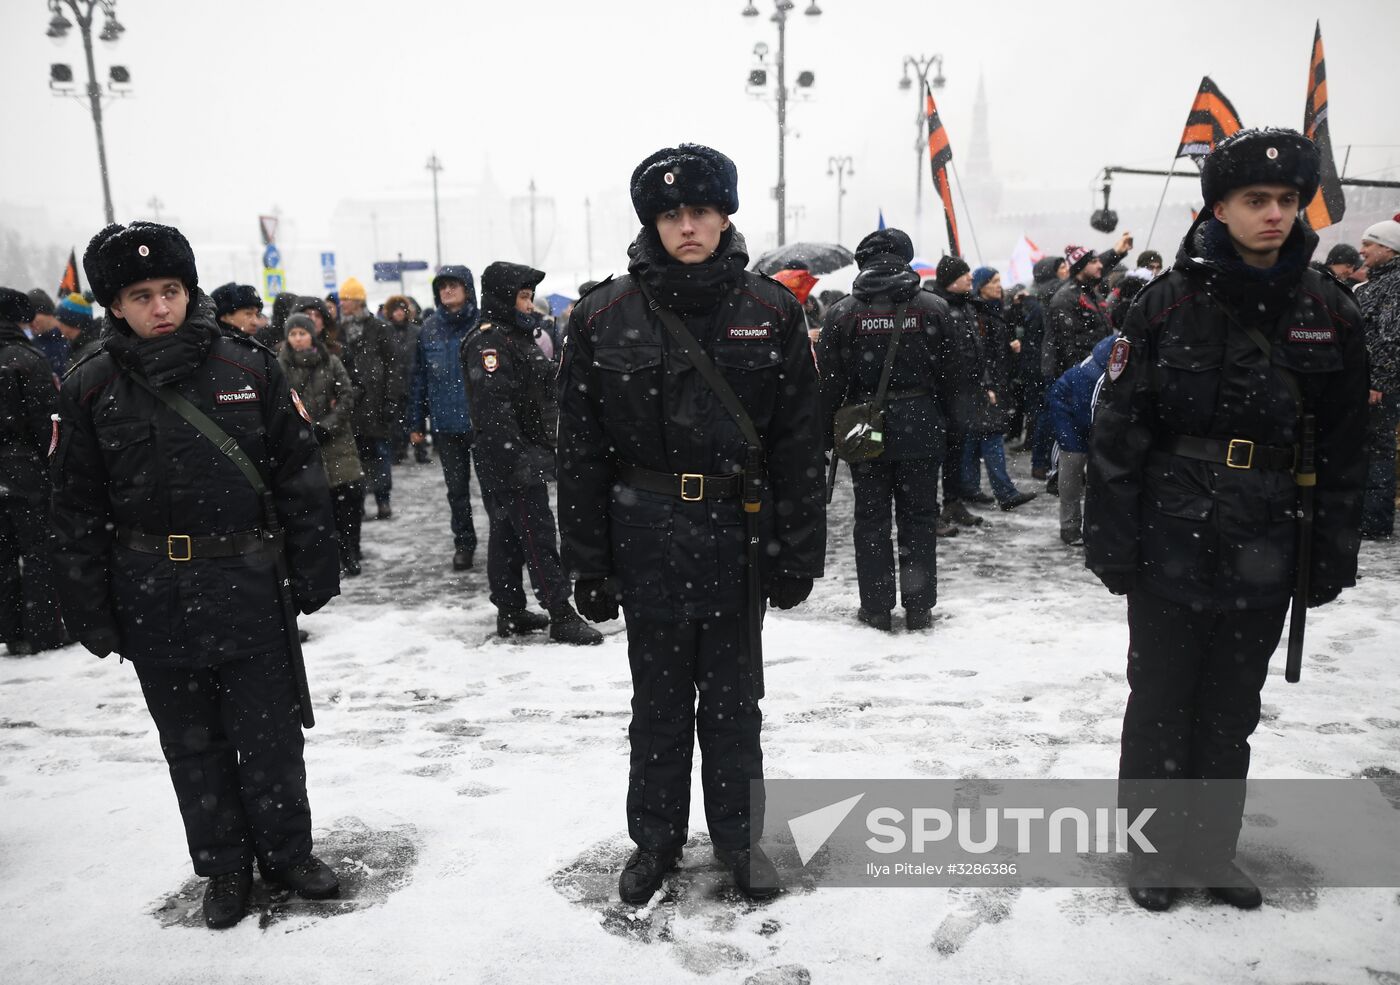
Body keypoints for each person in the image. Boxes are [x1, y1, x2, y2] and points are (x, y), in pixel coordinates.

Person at [1084, 129, 1368, 912]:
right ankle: (1152, 854)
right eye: (1255, 199)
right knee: (1160, 702)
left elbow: (1346, 447)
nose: (1274, 213)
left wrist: (1330, 551)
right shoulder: (1165, 303)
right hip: (1170, 534)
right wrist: (1112, 540)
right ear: (1219, 207)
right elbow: (1119, 433)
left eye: (1287, 199)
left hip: (1269, 536)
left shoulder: (1330, 311)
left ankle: (1211, 850)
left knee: (1231, 708)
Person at [50, 221, 344, 929]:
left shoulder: (249, 369)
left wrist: (314, 566)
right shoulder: (89, 385)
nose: (160, 307)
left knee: (270, 733)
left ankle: (287, 852)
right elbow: (74, 508)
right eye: (141, 295)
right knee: (191, 743)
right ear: (114, 305)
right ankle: (224, 867)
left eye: (171, 290)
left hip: (248, 580)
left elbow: (299, 473)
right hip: (151, 592)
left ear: (189, 290)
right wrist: (90, 607)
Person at [558, 144, 824, 906]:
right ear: (653, 223)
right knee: (659, 704)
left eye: (700, 211)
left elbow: (800, 443)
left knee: (736, 705)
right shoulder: (603, 315)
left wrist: (798, 550)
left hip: (740, 537)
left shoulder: (771, 311)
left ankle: (741, 841)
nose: (687, 226)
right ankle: (656, 839)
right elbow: (580, 449)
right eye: (672, 214)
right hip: (645, 538)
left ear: (724, 216)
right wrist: (589, 560)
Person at [818, 227, 953, 632]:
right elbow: (955, 374)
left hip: (864, 426)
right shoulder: (933, 308)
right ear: (905, 259)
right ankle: (919, 606)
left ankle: (876, 607)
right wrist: (947, 423)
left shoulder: (842, 313)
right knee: (919, 518)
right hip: (921, 422)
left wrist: (825, 434)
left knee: (871, 519)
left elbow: (828, 384)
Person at [461, 262, 602, 646]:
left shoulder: (514, 336)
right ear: (503, 298)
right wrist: (516, 460)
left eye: (529, 297)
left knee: (507, 534)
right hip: (511, 455)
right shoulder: (490, 343)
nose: (528, 304)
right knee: (537, 534)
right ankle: (560, 612)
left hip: (518, 452)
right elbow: (494, 409)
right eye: (523, 297)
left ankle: (510, 610)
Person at [0, 287, 65, 655]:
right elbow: (46, 423)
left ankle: (10, 630)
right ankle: (43, 630)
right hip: (24, 469)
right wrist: (55, 466)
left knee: (3, 554)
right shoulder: (26, 358)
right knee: (39, 550)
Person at [279, 313, 364, 575]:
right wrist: (302, 429)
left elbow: (347, 397)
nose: (298, 339)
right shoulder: (281, 366)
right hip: (302, 443)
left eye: (302, 333)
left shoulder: (330, 361)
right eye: (293, 334)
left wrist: (326, 426)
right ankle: (330, 555)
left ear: (312, 335)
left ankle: (350, 550)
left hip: (337, 442)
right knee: (316, 504)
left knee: (347, 499)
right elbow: (281, 404)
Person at [409, 265, 482, 570]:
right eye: (442, 286)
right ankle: (464, 543)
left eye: (454, 285)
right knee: (457, 491)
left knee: (493, 490)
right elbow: (419, 380)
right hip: (446, 424)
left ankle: (506, 542)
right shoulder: (428, 329)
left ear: (467, 289)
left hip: (482, 423)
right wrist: (416, 422)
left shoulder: (483, 324)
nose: (448, 291)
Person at [964, 267, 1037, 511]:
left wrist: (1009, 348)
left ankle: (970, 489)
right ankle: (1004, 493)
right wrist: (986, 384)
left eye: (999, 280)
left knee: (976, 438)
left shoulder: (992, 311)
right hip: (987, 385)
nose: (999, 285)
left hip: (993, 383)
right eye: (993, 281)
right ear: (981, 285)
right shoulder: (978, 314)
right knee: (991, 436)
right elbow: (980, 354)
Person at [338, 276, 405, 520]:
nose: (343, 304)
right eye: (342, 299)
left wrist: (391, 400)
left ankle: (383, 500)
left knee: (380, 454)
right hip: (352, 404)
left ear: (358, 301)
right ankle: (360, 502)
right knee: (356, 457)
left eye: (347, 299)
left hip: (376, 404)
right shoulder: (340, 331)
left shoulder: (379, 328)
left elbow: (393, 367)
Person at [1356, 212, 1400, 539]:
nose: (1362, 250)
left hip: (1380, 386)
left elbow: (1391, 337)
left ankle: (1374, 520)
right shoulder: (1377, 283)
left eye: (1368, 244)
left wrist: (1378, 382)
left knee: (1378, 449)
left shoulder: (1395, 284)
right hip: (1368, 381)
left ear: (1388, 248)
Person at [1047, 334, 1114, 546]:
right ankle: (1070, 526)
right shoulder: (1101, 370)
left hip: (1086, 405)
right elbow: (1091, 412)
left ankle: (1095, 526)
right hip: (1068, 407)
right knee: (1073, 461)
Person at [1044, 231, 1132, 380]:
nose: (1100, 265)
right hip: (1082, 374)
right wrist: (1083, 374)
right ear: (1081, 267)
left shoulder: (1092, 295)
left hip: (1098, 369)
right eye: (1094, 262)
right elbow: (1066, 347)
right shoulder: (1065, 298)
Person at [1019, 256, 1063, 480]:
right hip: (1043, 367)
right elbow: (1035, 340)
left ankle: (1042, 461)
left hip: (1042, 365)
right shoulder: (1043, 304)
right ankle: (1040, 462)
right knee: (1045, 414)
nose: (1066, 271)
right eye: (1061, 267)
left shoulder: (1043, 300)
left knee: (1043, 413)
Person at [382, 295, 427, 464]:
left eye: (402, 309)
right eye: (395, 310)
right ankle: (398, 452)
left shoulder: (416, 331)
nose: (399, 313)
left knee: (417, 418)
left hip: (413, 380)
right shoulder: (386, 332)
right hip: (395, 383)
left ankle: (420, 451)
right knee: (396, 422)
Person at [25, 289, 69, 377]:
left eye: (32, 315)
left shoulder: (72, 337)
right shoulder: (30, 347)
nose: (28, 322)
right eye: (26, 317)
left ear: (47, 312)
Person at [54, 292, 102, 365]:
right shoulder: (80, 345)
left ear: (71, 322)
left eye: (60, 322)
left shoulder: (89, 353)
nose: (58, 326)